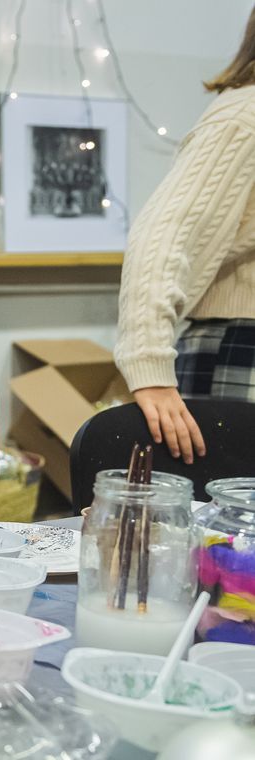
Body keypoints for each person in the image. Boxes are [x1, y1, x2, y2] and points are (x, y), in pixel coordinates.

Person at [114, 6, 255, 465]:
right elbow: (160, 234)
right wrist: (149, 366)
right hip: (237, 350)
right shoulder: (244, 116)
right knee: (231, 530)